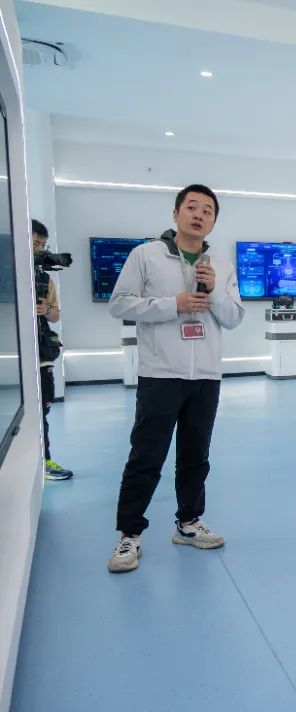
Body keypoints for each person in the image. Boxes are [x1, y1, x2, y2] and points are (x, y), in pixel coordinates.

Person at [106, 184, 245, 573]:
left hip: (206, 376)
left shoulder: (221, 264)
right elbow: (120, 304)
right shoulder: (146, 255)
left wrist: (214, 291)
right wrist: (173, 305)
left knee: (195, 456)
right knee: (146, 456)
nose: (199, 215)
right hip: (161, 374)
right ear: (176, 213)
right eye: (192, 207)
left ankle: (188, 523)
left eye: (207, 211)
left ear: (213, 221)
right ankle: (129, 534)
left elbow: (234, 317)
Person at [31, 220, 74, 481]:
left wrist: (45, 309)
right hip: (18, 362)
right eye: (35, 244)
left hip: (42, 359)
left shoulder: (44, 280)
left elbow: (56, 315)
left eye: (42, 245)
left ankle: (44, 462)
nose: (39, 250)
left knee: (42, 414)